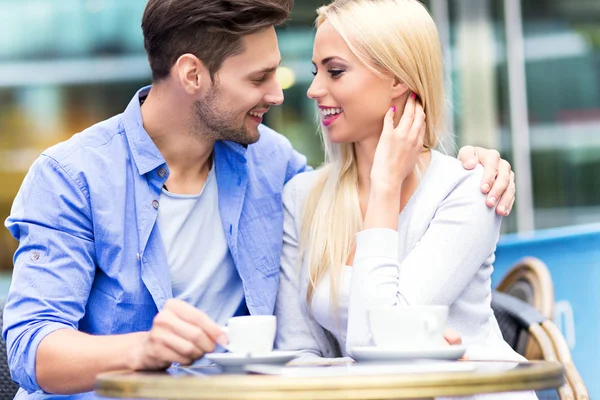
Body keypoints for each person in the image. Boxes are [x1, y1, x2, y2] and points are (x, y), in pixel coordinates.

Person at [3, 0, 515, 399]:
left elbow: (377, 198)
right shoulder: (73, 178)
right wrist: (144, 348)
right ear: (192, 75)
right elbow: (30, 349)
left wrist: (477, 164)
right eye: (259, 78)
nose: (282, 93)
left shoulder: (274, 168)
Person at [274, 1, 533, 398]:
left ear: (396, 78)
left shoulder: (467, 189)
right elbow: (297, 356)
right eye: (315, 71)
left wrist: (384, 186)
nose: (313, 89)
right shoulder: (301, 197)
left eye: (335, 71)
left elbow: (382, 345)